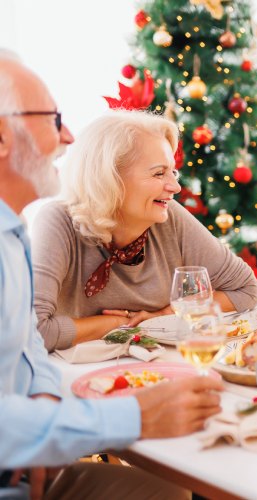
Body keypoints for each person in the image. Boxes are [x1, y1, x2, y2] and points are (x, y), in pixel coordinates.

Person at [0, 52, 222, 498]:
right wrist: (134, 417)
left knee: (169, 492)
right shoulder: (49, 224)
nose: (67, 135)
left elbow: (27, 348)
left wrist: (44, 410)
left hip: (23, 465)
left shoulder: (12, 232)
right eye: (52, 118)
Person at [31, 110, 257, 352]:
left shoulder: (168, 215)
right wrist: (119, 324)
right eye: (158, 173)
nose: (174, 186)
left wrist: (162, 315)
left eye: (173, 172)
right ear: (110, 178)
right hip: (75, 378)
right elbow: (34, 331)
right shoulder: (58, 221)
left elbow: (245, 290)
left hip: (155, 370)